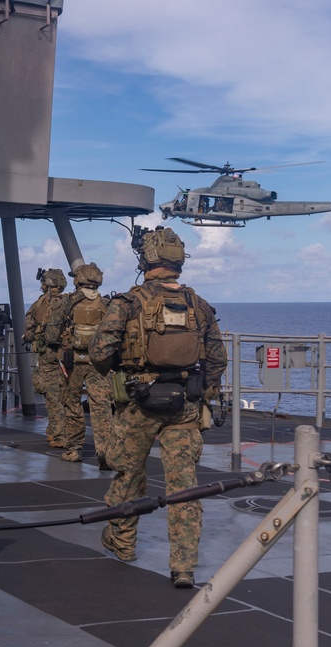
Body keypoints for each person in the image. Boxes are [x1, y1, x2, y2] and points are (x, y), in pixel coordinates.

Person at [89, 227, 226, 589]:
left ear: (146, 260)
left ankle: (123, 543)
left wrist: (121, 373)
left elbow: (100, 353)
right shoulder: (198, 305)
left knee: (129, 476)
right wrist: (204, 395)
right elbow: (217, 359)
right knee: (185, 485)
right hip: (184, 406)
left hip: (140, 404)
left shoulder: (128, 302)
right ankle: (184, 566)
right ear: (179, 261)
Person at [54, 262, 113, 467]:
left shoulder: (67, 302)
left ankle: (74, 449)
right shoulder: (107, 303)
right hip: (98, 363)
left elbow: (52, 334)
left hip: (72, 364)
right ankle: (105, 453)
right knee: (101, 407)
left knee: (72, 405)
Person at [22, 268, 69, 449]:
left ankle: (57, 433)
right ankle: (62, 431)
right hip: (67, 354)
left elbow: (29, 326)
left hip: (48, 354)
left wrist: (30, 336)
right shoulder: (69, 301)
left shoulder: (40, 303)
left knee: (52, 395)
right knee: (66, 394)